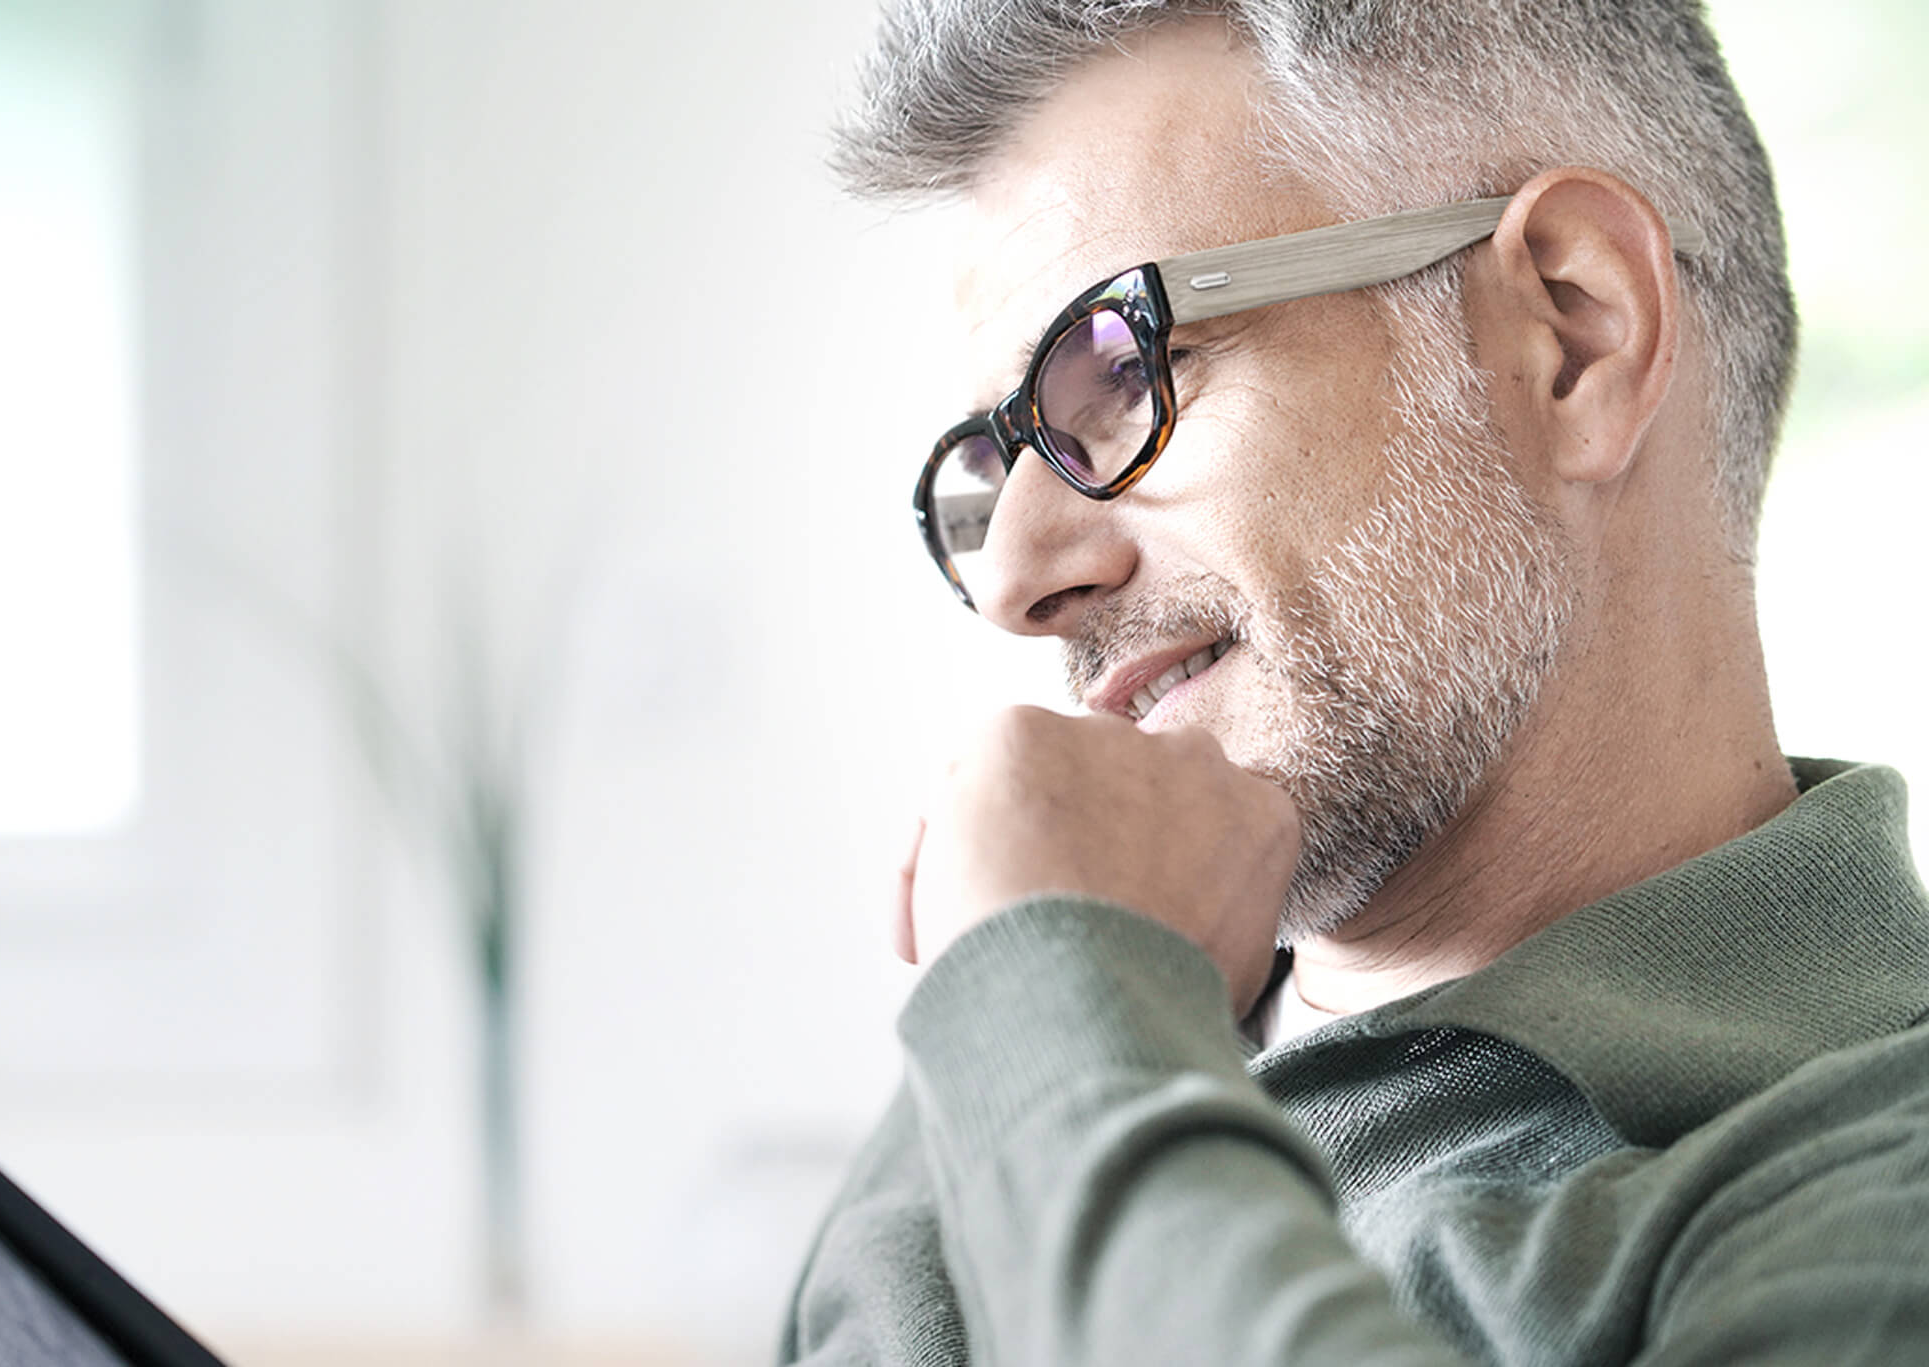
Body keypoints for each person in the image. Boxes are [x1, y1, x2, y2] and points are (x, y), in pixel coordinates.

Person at [781, 1, 1929, 1363]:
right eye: (994, 460)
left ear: (1572, 337)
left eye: (1129, 367)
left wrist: (1065, 1020)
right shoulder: (1007, 1048)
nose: (1016, 573)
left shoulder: (1876, 1186)